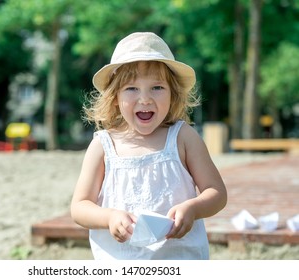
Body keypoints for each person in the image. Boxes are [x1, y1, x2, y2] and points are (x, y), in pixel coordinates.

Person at [71, 32, 227, 260]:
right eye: (131, 89)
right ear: (115, 96)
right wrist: (110, 217)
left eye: (157, 88)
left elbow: (217, 193)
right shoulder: (103, 145)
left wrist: (193, 209)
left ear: (173, 94)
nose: (145, 99)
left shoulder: (183, 137)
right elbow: (79, 206)